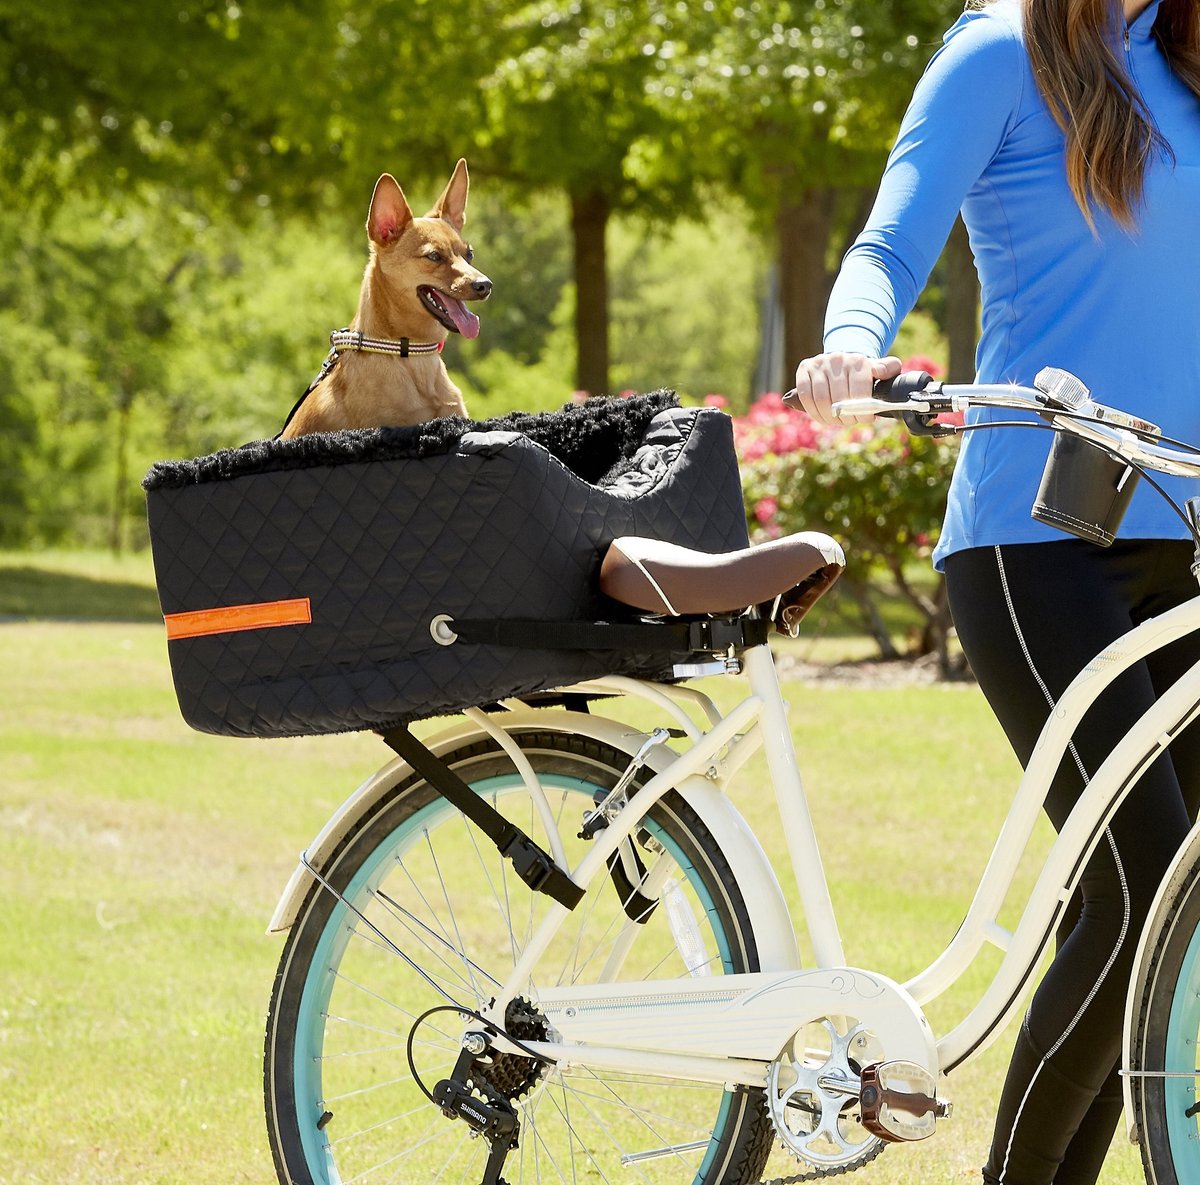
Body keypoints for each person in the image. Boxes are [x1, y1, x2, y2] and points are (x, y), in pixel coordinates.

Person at [788, 1, 1200, 1182]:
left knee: (1166, 921)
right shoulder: (999, 53)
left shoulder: (1188, 49)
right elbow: (891, 240)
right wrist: (853, 345)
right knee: (1136, 891)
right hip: (1037, 538)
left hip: (1185, 534)